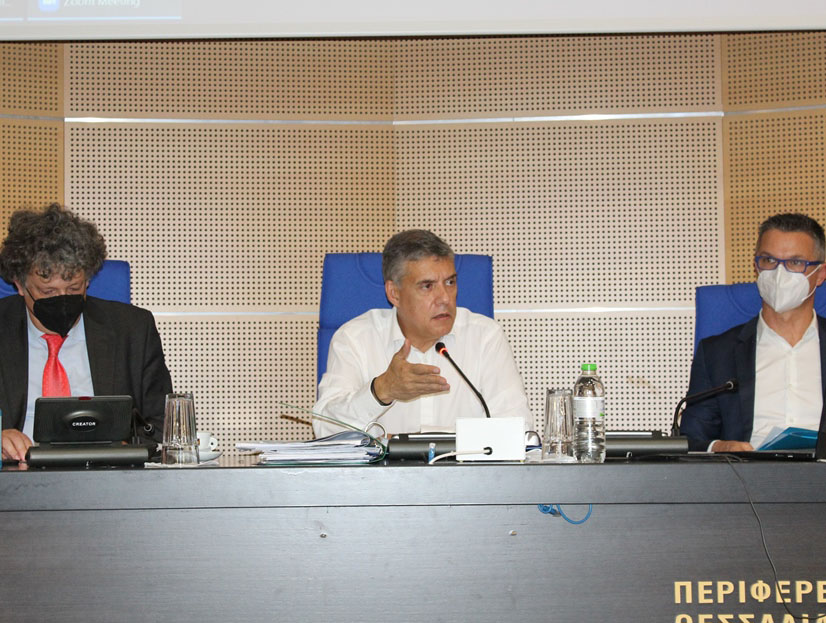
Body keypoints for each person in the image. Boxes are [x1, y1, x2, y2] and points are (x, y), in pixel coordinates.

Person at [313, 229, 532, 438]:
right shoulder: (355, 339)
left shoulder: (484, 337)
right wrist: (381, 390)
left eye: (450, 282)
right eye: (427, 286)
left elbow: (518, 428)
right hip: (384, 468)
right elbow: (326, 428)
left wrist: (420, 443)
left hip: (466, 466)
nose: (445, 298)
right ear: (394, 293)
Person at [0, 203, 173, 462]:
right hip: (16, 475)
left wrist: (124, 447)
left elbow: (162, 424)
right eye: (48, 292)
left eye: (73, 289)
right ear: (20, 285)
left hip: (107, 475)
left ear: (88, 281)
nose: (62, 298)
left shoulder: (133, 329)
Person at [680, 213, 826, 452]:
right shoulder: (717, 353)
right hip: (749, 472)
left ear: (820, 274)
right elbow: (691, 439)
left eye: (795, 262)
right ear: (756, 266)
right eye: (769, 260)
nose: (779, 273)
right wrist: (720, 447)